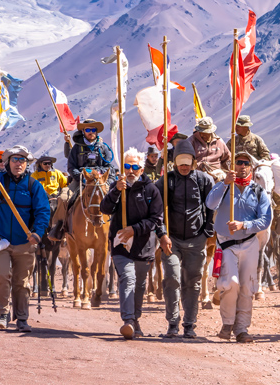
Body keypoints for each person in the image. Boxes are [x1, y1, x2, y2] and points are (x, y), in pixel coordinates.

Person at [0, 145, 52, 332]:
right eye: (14, 159)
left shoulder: (33, 185)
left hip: (25, 241)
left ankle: (21, 318)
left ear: (27, 164)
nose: (18, 163)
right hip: (1, 238)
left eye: (22, 160)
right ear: (8, 162)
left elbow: (43, 211)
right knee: (1, 276)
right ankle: (3, 313)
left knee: (22, 282)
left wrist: (38, 232)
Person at [206, 151, 273, 342]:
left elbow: (265, 220)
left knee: (247, 286)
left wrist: (244, 225)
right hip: (226, 243)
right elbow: (210, 204)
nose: (242, 166)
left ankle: (242, 329)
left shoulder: (258, 191)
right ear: (232, 166)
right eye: (238, 162)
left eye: (245, 163)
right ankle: (227, 322)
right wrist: (225, 183)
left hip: (249, 243)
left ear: (251, 167)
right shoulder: (224, 187)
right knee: (230, 283)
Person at [100, 148, 166, 339]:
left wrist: (134, 229)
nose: (130, 170)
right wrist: (115, 192)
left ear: (141, 169)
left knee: (140, 285)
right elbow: (105, 208)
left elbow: (156, 219)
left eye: (134, 167)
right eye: (127, 166)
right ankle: (127, 320)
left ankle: (135, 319)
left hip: (143, 245)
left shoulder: (151, 190)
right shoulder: (117, 186)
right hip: (121, 244)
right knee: (127, 279)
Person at [159, 137, 215, 339]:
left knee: (193, 281)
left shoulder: (204, 180)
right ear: (174, 162)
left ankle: (189, 324)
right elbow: (158, 210)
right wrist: (162, 233)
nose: (184, 166)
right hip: (171, 240)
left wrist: (208, 229)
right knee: (172, 278)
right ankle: (172, 323)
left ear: (193, 161)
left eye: (187, 161)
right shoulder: (166, 182)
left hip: (196, 239)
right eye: (180, 162)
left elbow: (211, 206)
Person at [64, 119, 115, 204]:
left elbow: (109, 166)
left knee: (115, 198)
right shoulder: (76, 148)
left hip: (100, 180)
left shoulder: (103, 147)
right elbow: (71, 167)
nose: (91, 132)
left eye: (93, 130)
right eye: (88, 130)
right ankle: (62, 217)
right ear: (83, 131)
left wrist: (99, 174)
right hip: (80, 180)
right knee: (63, 198)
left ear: (96, 131)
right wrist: (82, 177)